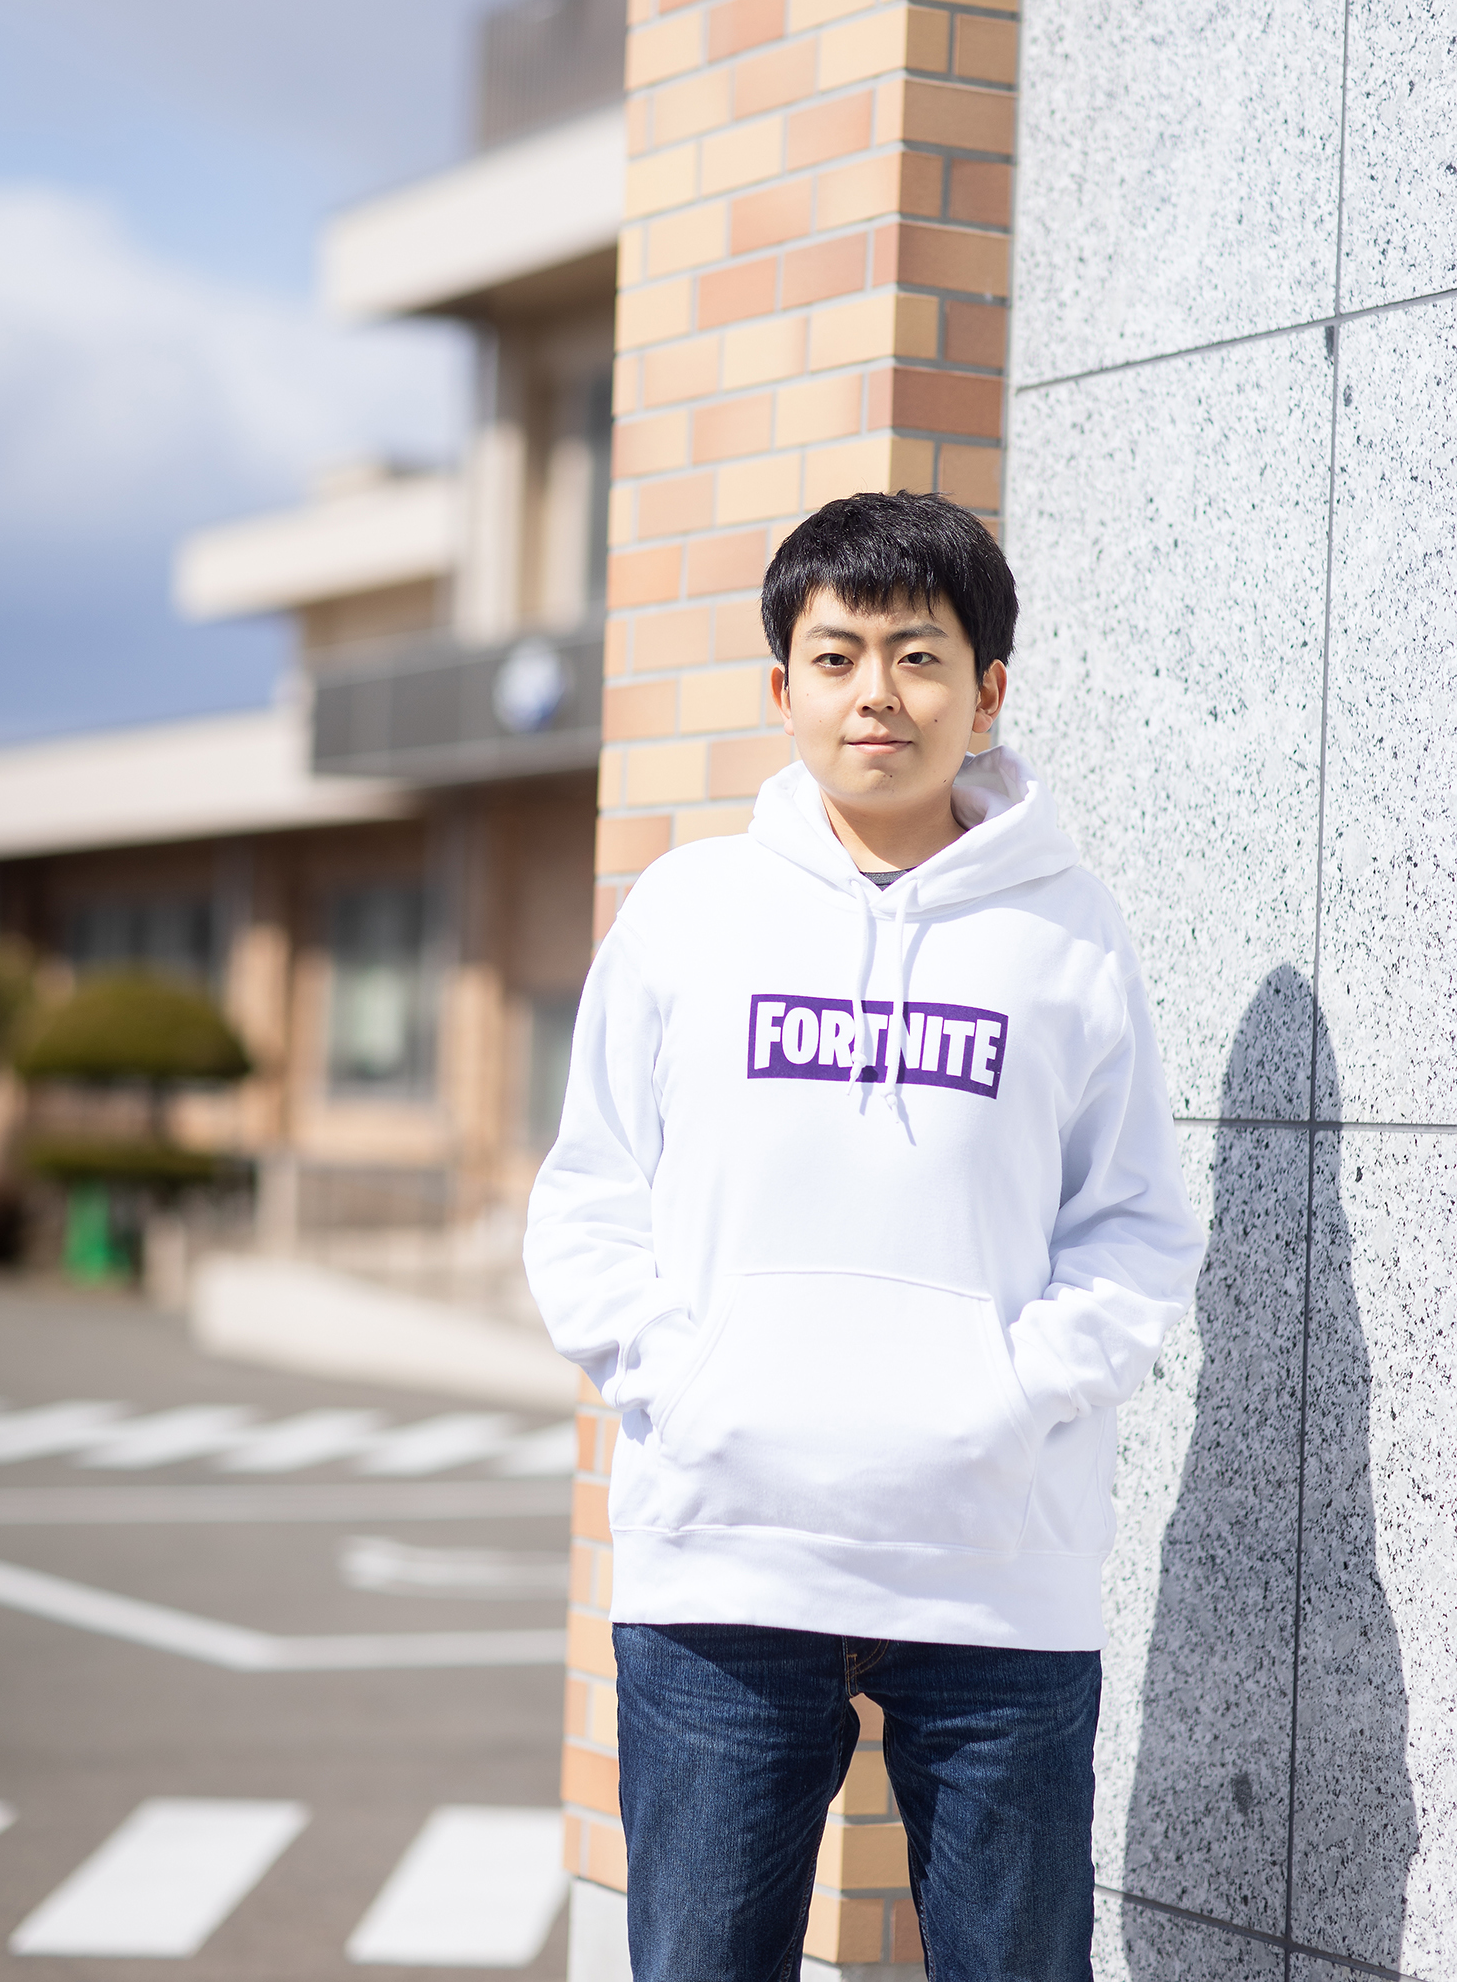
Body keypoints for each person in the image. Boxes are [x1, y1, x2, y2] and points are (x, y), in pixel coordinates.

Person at [525, 490, 1204, 1982]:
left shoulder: (1070, 934)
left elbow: (1136, 1224)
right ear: (783, 689)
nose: (875, 694)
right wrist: (690, 1388)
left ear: (988, 690)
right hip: (723, 1563)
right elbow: (589, 1202)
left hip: (997, 1567)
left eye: (918, 655)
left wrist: (1011, 1397)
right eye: (836, 658)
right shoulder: (687, 915)